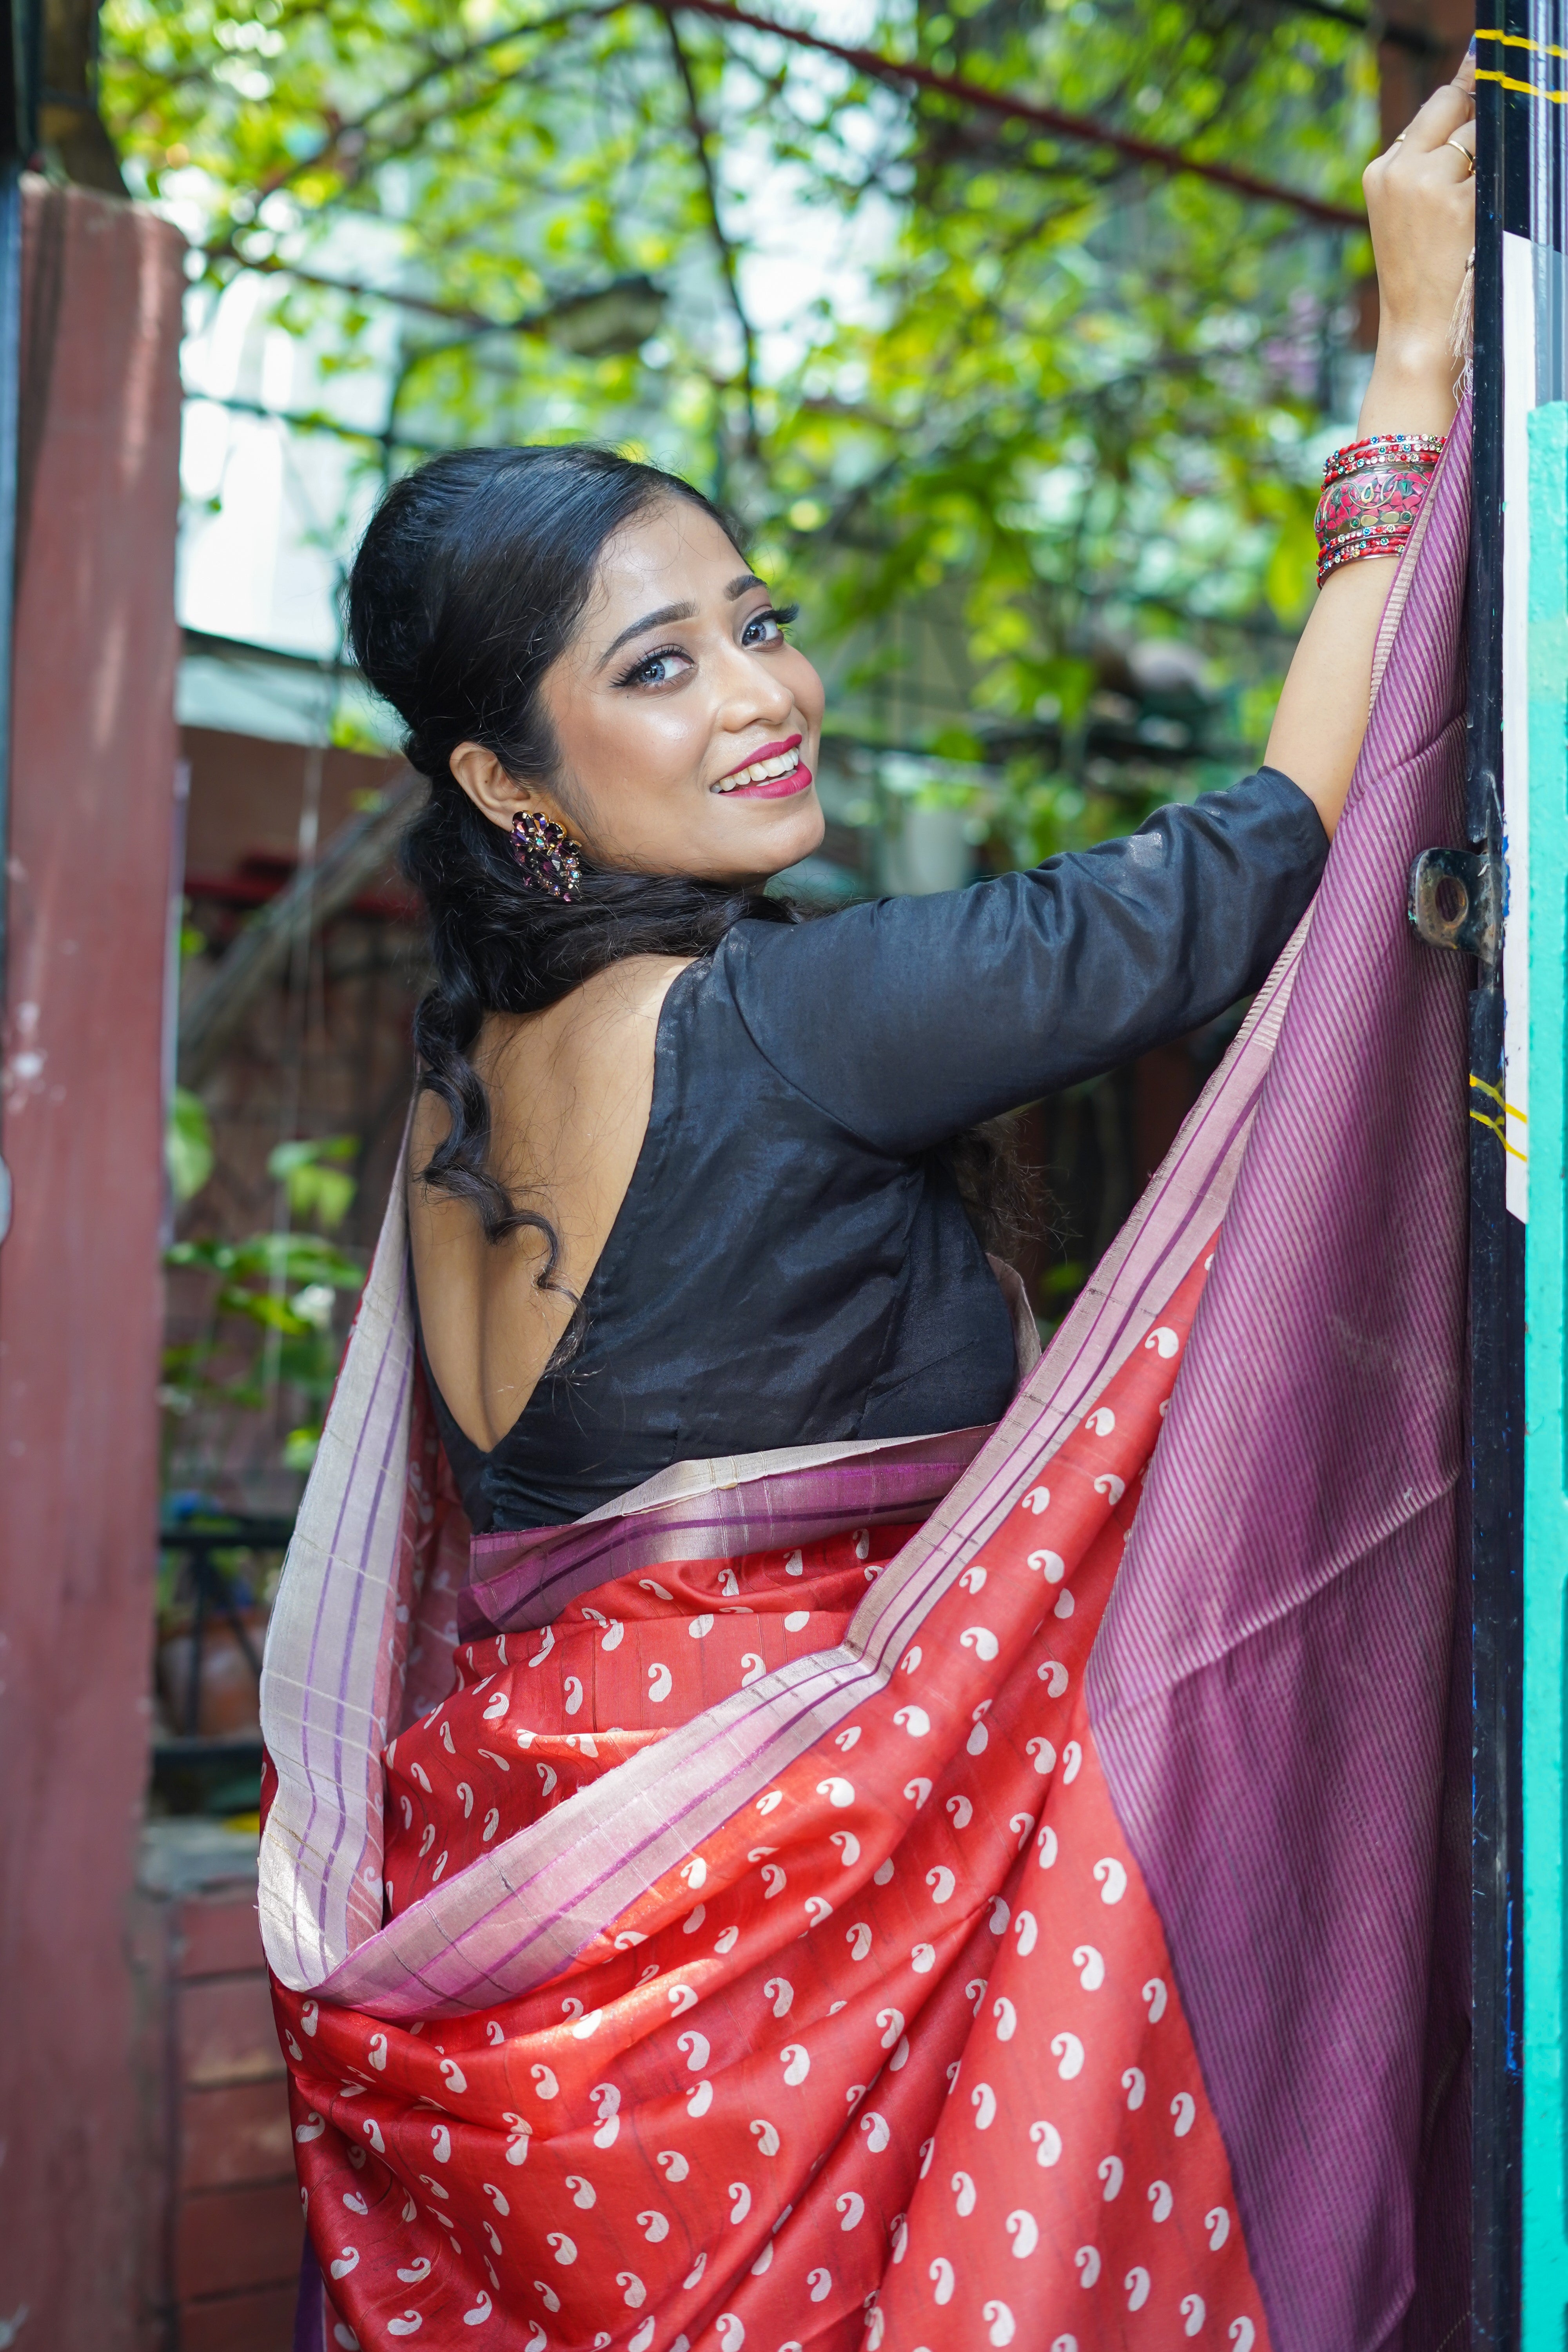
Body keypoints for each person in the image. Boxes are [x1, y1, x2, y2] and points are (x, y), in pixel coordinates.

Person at [270, 64, 1477, 2352]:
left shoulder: (463, 1079)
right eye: (660, 667)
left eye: (757, 619)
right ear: (507, 779)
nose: (767, 695)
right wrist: (1403, 399)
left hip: (545, 1878)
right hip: (805, 1888)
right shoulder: (784, 1022)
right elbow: (1239, 882)